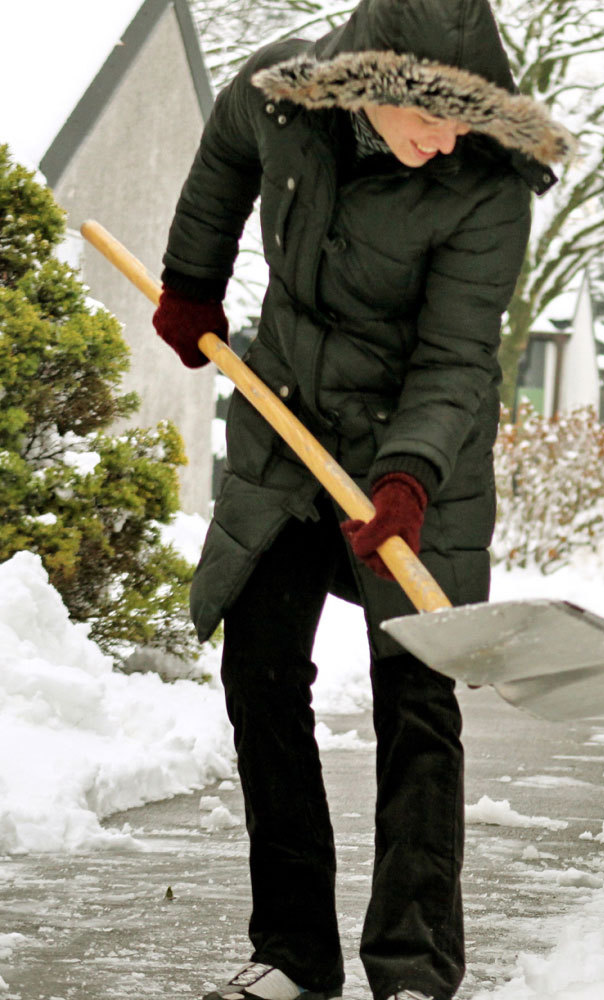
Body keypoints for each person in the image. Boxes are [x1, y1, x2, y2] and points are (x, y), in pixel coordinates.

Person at [152, 1, 570, 998]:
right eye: (433, 116)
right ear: (375, 86)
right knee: (258, 668)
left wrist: (408, 474)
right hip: (287, 425)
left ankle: (414, 964)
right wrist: (193, 279)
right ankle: (294, 952)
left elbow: (458, 355)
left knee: (416, 699)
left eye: (470, 118)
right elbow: (223, 150)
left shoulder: (486, 191)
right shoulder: (284, 100)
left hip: (418, 465)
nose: (450, 138)